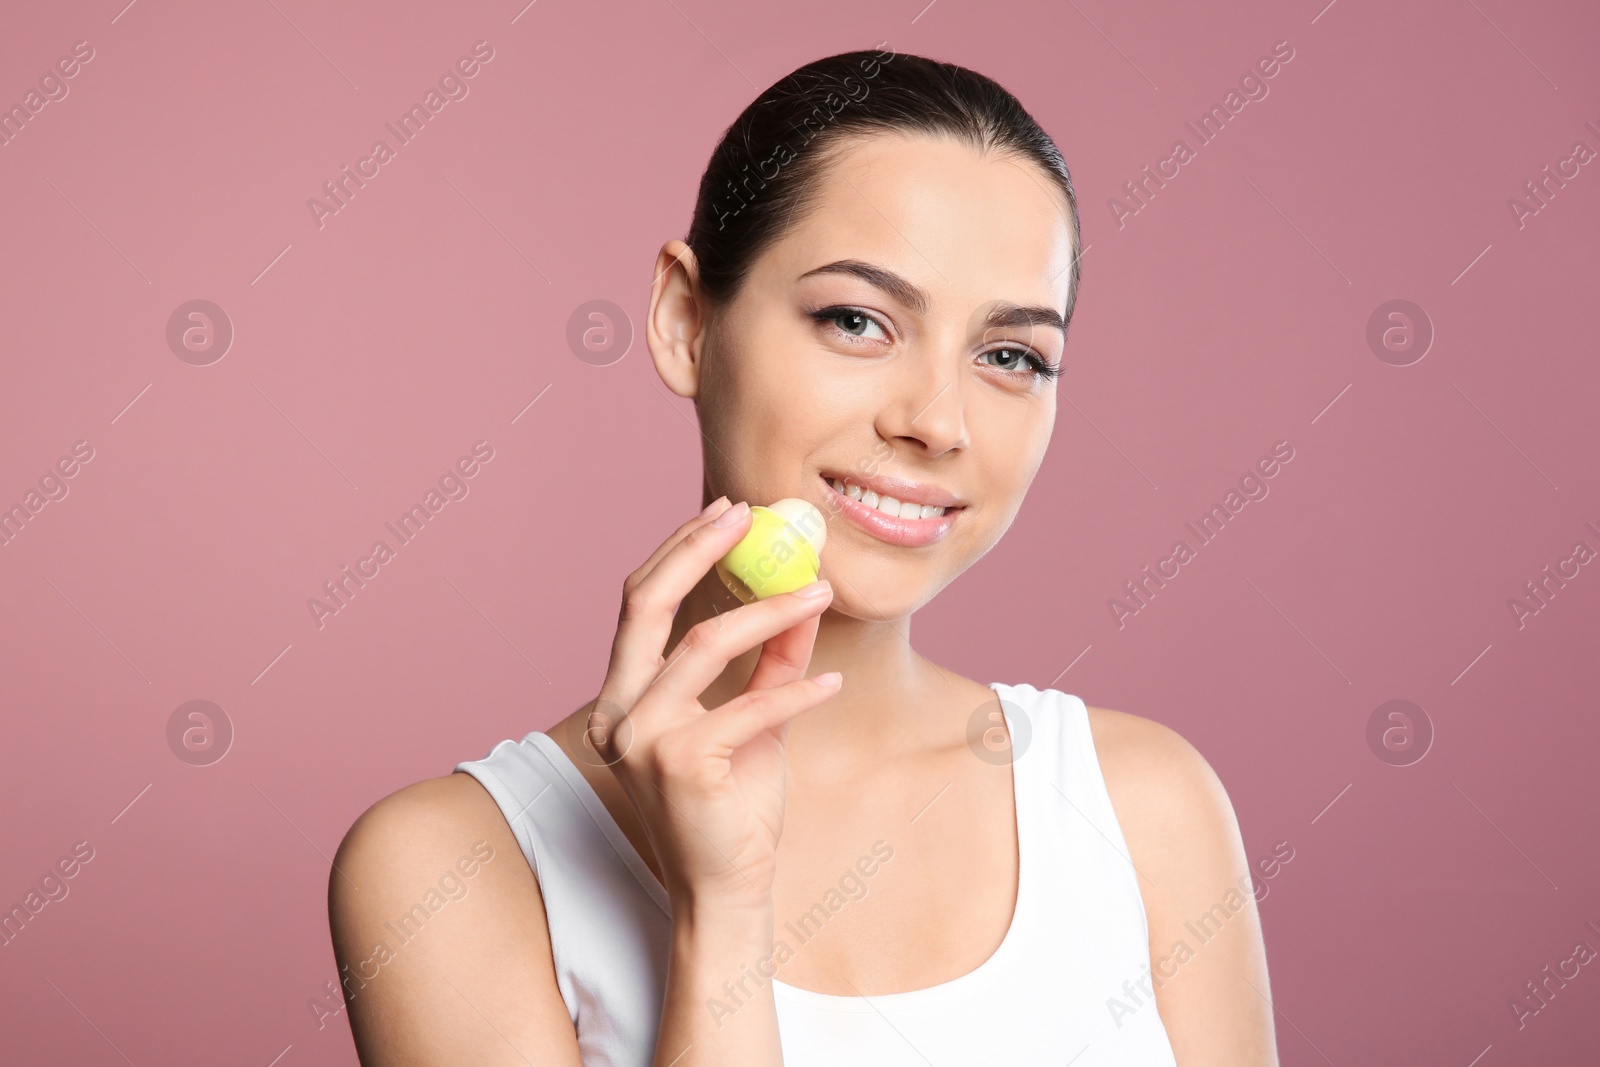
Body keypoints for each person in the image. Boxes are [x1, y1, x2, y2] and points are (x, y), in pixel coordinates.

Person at [327, 46, 1278, 1066]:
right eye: (857, 320)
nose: (937, 420)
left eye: (1010, 355)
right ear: (685, 320)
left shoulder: (1143, 807)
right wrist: (724, 911)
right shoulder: (448, 866)